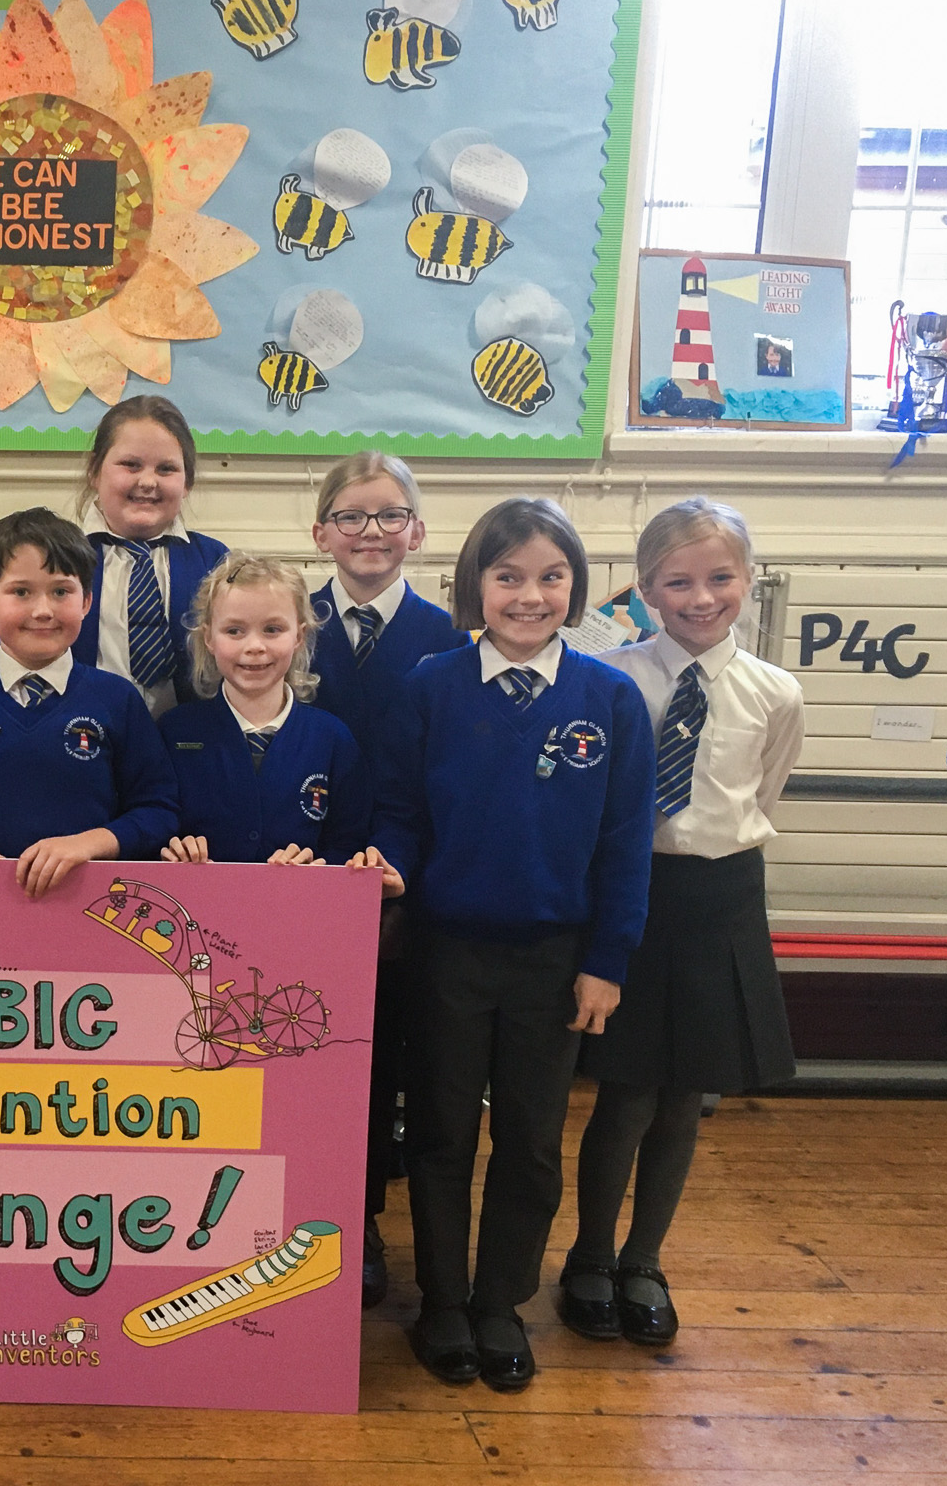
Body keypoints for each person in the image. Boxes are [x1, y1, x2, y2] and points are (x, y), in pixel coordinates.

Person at [370, 496, 656, 1394]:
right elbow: (400, 812)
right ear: (476, 585)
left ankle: (501, 1301)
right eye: (508, 577)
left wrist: (607, 961)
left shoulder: (610, 698)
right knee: (443, 1134)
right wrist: (388, 865)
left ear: (576, 585)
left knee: (531, 1141)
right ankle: (444, 1302)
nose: (529, 596)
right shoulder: (431, 686)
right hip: (447, 953)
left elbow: (626, 843)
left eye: (550, 577)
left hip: (556, 960)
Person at [559, 499, 804, 1349]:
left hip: (721, 897)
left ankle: (644, 1261)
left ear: (748, 579)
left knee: (684, 1098)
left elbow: (764, 791)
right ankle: (590, 1259)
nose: (701, 598)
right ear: (647, 588)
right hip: (638, 891)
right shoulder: (614, 679)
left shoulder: (775, 692)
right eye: (678, 582)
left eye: (720, 578)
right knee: (625, 1095)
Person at [305, 452, 471, 1308]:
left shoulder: (450, 641)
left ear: (417, 531)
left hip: (407, 884)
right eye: (351, 514)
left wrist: (402, 865)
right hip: (302, 876)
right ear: (320, 532)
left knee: (381, 1061)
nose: (370, 531)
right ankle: (301, 1206)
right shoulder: (286, 623)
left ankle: (363, 1219)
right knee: (303, 1058)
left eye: (389, 514)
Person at [0, 508, 178, 900]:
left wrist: (86, 845)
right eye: (21, 592)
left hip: (92, 909)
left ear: (86, 601)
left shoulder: (118, 699)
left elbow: (158, 812)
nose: (43, 610)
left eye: (61, 592)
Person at [158, 551, 372, 868]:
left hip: (300, 900)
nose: (255, 646)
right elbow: (153, 821)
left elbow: (350, 841)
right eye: (234, 631)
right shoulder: (174, 732)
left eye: (272, 629)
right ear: (209, 638)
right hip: (195, 899)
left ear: (299, 636)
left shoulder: (332, 738)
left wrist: (320, 866)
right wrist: (172, 850)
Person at [72, 396, 228, 718]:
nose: (147, 482)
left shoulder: (216, 564)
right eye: (131, 465)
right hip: (85, 733)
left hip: (188, 738)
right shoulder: (58, 559)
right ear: (94, 471)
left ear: (187, 482)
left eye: (166, 469)